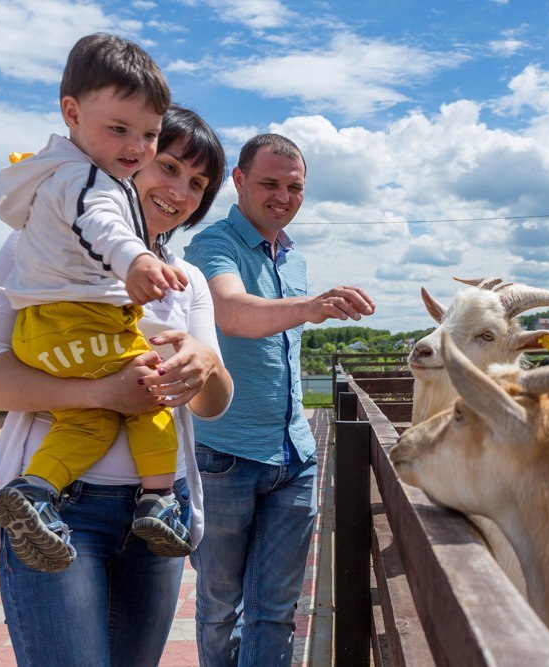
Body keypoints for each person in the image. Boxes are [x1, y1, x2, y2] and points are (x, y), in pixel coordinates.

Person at [0, 104, 232, 665]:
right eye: (171, 167)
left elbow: (212, 405)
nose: (180, 192)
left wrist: (205, 363)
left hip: (160, 510)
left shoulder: (189, 279)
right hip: (58, 506)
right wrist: (102, 394)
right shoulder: (36, 249)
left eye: (198, 183)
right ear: (131, 158)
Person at [0, 33, 193, 572]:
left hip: (48, 332)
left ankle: (34, 490)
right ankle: (162, 502)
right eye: (119, 128)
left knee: (88, 420)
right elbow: (100, 223)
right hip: (80, 325)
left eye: (149, 134)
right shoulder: (86, 178)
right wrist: (137, 262)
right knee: (150, 391)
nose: (136, 146)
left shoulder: (62, 175)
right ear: (72, 113)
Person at [184, 133, 375, 666]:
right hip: (224, 455)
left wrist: (305, 302)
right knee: (222, 607)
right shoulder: (211, 246)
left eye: (294, 186)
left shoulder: (294, 259)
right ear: (239, 182)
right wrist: (311, 307)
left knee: (276, 609)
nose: (283, 196)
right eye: (269, 183)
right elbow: (232, 311)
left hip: (293, 457)